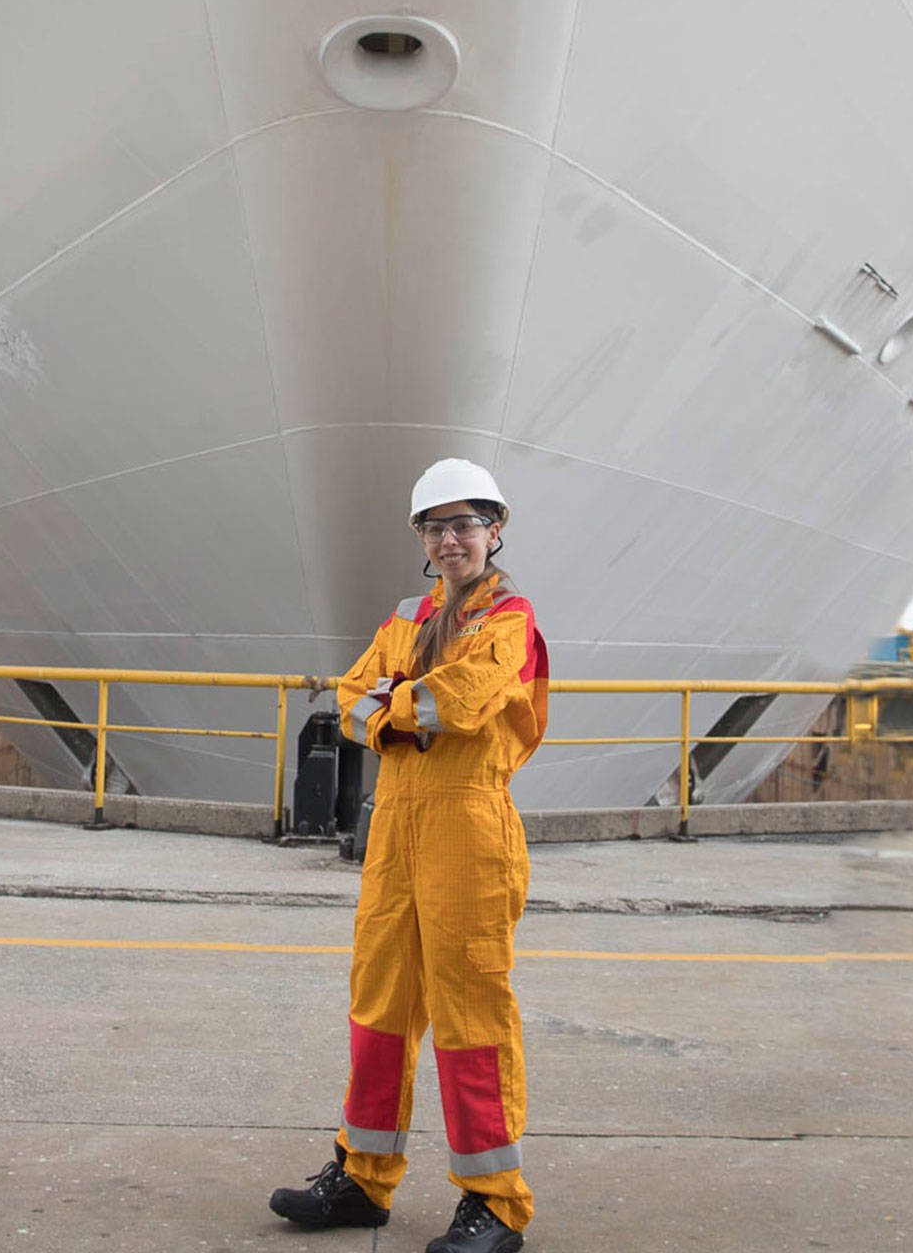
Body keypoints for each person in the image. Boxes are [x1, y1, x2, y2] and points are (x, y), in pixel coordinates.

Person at [270, 458, 548, 1253]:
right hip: (393, 826)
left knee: (471, 1014)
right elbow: (347, 698)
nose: (451, 539)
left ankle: (494, 1203)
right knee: (379, 1006)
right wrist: (396, 710)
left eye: (465, 524)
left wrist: (390, 708)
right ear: (422, 539)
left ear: (494, 532)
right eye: (437, 526)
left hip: (469, 824)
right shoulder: (405, 617)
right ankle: (363, 1176)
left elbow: (462, 701)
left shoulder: (509, 620)